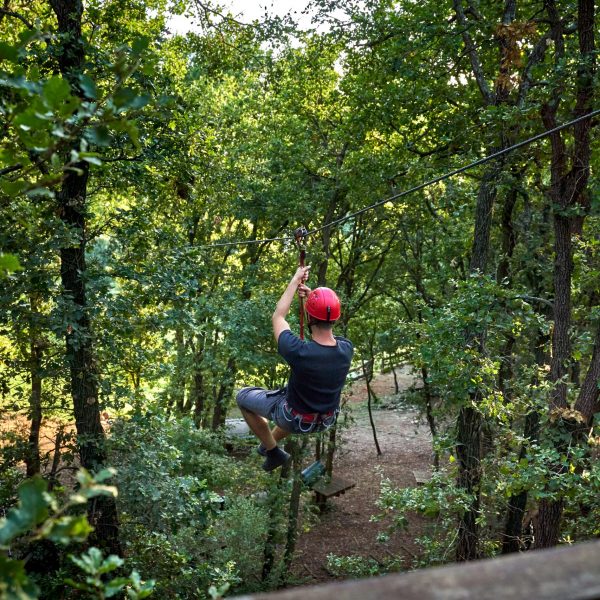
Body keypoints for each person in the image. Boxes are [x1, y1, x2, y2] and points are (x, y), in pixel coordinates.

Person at [236, 265, 354, 471]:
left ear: (309, 318)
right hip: (325, 420)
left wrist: (295, 280)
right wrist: (313, 301)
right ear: (335, 319)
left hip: (294, 419)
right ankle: (268, 444)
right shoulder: (346, 350)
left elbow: (278, 317)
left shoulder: (299, 352)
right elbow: (329, 336)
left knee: (243, 397)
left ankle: (273, 452)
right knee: (294, 399)